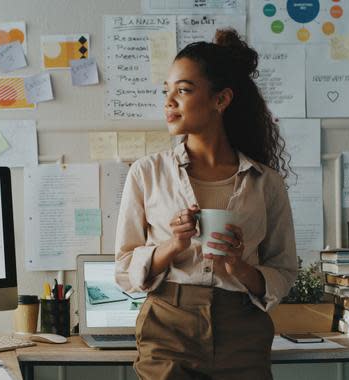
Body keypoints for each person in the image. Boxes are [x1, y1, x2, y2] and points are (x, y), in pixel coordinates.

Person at [114, 28, 298, 380]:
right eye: (166, 91)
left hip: (243, 330)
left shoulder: (267, 183)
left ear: (221, 100)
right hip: (168, 326)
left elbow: (285, 270)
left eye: (183, 90)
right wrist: (173, 245)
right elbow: (124, 267)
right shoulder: (146, 173)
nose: (169, 101)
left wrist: (239, 267)